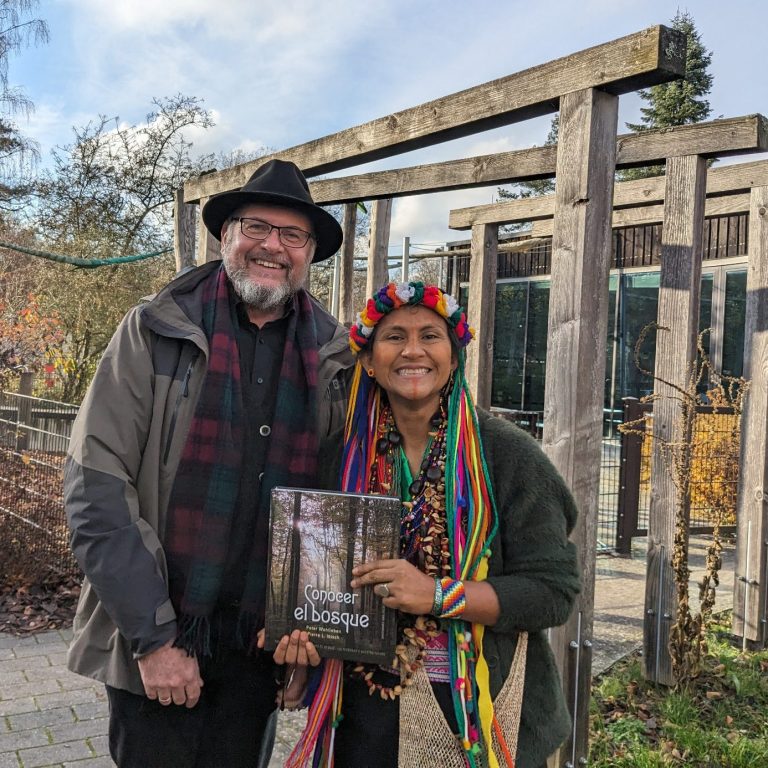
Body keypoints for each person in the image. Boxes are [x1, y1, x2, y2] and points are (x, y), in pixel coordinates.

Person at [63, 159, 354, 768]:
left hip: (261, 646)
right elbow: (98, 487)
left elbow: (333, 510)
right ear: (226, 236)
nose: (273, 246)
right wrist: (155, 638)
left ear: (308, 253)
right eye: (257, 227)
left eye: (293, 235)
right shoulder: (155, 329)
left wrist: (310, 646)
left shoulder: (335, 358)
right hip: (162, 630)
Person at [283, 282, 581, 768]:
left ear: (453, 356)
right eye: (394, 337)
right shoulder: (341, 457)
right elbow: (318, 585)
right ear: (369, 361)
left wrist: (440, 595)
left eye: (431, 336)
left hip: (480, 722)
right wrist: (300, 656)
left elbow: (554, 590)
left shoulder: (506, 457)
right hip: (367, 718)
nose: (413, 350)